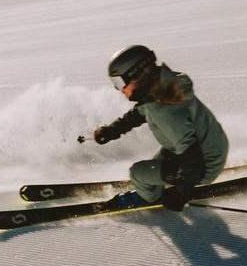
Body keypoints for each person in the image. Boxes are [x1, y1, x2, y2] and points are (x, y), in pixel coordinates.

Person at [88, 45, 229, 211]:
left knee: (137, 173)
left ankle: (146, 197)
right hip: (207, 146)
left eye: (119, 83)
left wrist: (181, 192)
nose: (119, 89)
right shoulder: (161, 89)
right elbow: (139, 113)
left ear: (136, 76)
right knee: (155, 167)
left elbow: (193, 157)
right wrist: (112, 130)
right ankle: (159, 182)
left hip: (204, 164)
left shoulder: (164, 110)